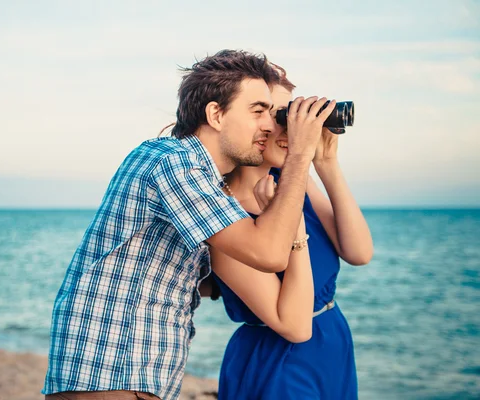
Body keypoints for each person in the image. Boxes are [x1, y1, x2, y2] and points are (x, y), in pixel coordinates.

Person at [42, 50, 336, 400]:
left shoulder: (203, 183)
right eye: (258, 111)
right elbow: (269, 253)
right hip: (111, 373)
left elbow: (186, 278)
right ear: (215, 114)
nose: (271, 126)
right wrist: (301, 155)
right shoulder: (172, 163)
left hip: (129, 374)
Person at [205, 65, 374, 399]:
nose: (287, 128)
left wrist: (325, 162)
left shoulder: (293, 184)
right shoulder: (223, 212)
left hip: (331, 340)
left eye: (289, 114)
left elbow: (359, 252)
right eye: (276, 115)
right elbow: (288, 324)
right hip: (277, 358)